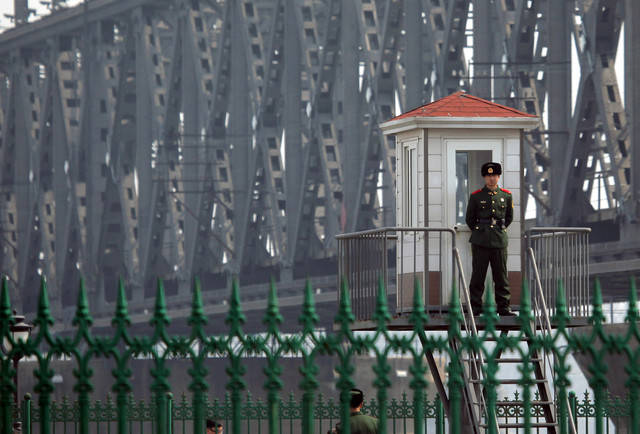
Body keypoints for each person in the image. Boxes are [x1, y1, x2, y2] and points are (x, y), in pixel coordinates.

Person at [465, 162, 515, 316]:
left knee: (501, 276)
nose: (491, 178)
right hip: (480, 240)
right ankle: (475, 308)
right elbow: (470, 219)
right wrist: (481, 230)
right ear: (484, 177)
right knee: (478, 276)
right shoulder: (476, 196)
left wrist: (497, 228)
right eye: (488, 176)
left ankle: (504, 308)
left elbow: (508, 218)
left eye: (494, 175)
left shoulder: (506, 196)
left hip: (499, 240)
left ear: (499, 176)